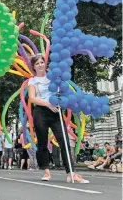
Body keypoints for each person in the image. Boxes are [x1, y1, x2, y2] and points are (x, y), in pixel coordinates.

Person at [28, 54, 89, 183]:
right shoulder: (32, 81)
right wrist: (47, 104)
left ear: (45, 63)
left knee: (64, 141)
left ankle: (71, 173)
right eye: (37, 63)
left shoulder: (53, 76)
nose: (40, 65)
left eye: (42, 62)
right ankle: (46, 172)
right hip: (41, 112)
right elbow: (32, 98)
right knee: (42, 142)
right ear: (33, 66)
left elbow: (63, 89)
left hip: (55, 112)